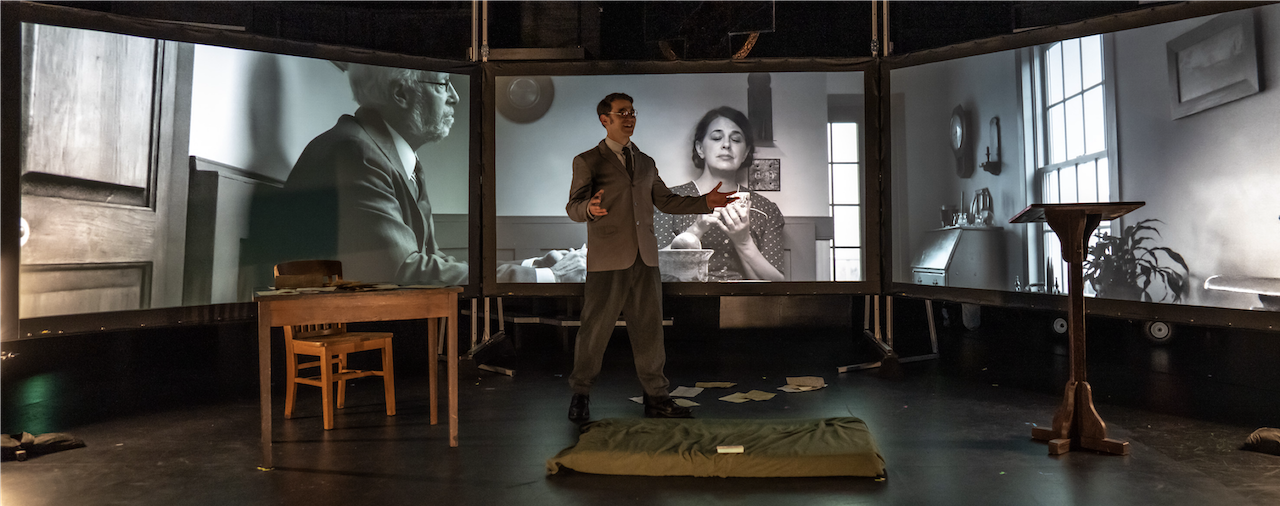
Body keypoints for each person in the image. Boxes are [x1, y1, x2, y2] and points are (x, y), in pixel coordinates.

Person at [272, 64, 581, 285]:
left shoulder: (390, 155)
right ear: (401, 93)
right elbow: (402, 270)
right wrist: (549, 277)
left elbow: (434, 260)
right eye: (443, 84)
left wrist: (532, 265)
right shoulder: (357, 153)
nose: (454, 97)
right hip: (343, 328)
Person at [564, 93, 737, 422]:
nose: (629, 117)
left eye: (632, 111)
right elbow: (573, 206)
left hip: (645, 260)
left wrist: (705, 202)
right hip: (607, 260)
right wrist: (589, 208)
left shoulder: (645, 162)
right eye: (622, 112)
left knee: (649, 332)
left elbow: (666, 201)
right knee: (594, 331)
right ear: (605, 120)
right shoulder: (588, 161)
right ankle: (581, 395)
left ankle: (656, 398)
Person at [654, 106, 785, 281]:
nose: (726, 145)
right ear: (700, 148)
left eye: (736, 140)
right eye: (716, 138)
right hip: (687, 297)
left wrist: (743, 241)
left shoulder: (766, 210)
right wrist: (696, 230)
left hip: (745, 298)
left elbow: (776, 284)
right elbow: (653, 270)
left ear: (745, 153)